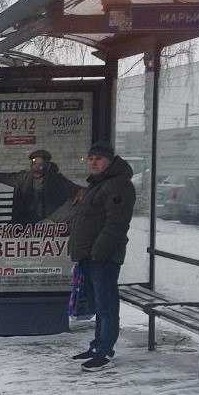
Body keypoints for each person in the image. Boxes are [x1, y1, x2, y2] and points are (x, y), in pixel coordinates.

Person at [68, 141, 136, 372]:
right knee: (99, 303)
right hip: (90, 256)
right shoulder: (98, 184)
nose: (94, 162)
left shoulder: (118, 185)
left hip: (103, 258)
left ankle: (105, 351)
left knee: (106, 304)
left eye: (99, 158)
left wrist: (99, 251)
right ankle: (97, 345)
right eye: (91, 158)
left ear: (110, 160)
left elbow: (116, 223)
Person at [11, 149, 82, 226]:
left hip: (48, 226)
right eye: (34, 164)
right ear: (31, 165)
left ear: (47, 166)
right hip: (24, 227)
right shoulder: (23, 180)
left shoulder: (57, 180)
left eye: (41, 165)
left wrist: (81, 191)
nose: (37, 168)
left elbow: (77, 189)